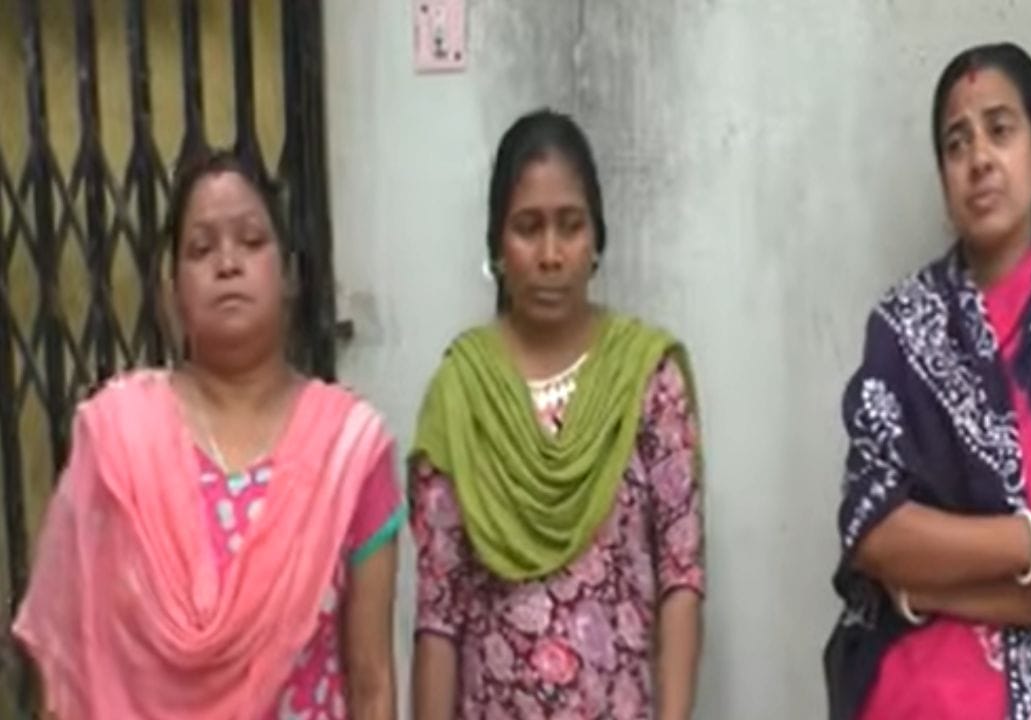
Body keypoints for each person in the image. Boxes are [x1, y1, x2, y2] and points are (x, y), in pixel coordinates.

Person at [12, 150, 401, 719]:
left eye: (251, 241)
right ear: (172, 289)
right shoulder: (119, 437)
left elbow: (372, 681)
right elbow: (72, 661)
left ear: (289, 274)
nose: (227, 263)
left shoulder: (349, 450)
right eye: (201, 249)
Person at [824, 43, 1031, 720]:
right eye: (956, 143)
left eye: (1000, 130)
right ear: (944, 179)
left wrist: (927, 588)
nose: (979, 159)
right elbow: (875, 534)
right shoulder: (901, 329)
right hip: (911, 697)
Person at [409, 109, 704, 720]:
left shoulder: (646, 379)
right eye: (527, 228)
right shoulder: (462, 392)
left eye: (570, 226)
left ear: (596, 240)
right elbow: (439, 614)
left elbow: (681, 576)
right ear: (497, 244)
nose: (550, 254)